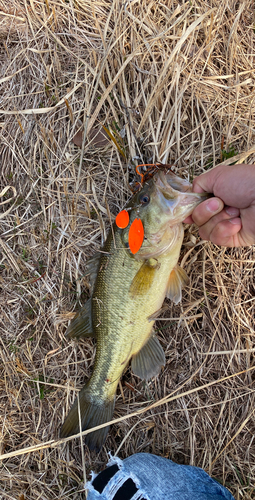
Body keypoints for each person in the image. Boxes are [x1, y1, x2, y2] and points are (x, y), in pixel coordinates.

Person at [86, 163, 253, 499]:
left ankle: (96, 403)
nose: (152, 197)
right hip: (129, 320)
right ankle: (97, 398)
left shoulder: (149, 252)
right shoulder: (143, 255)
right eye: (147, 200)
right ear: (136, 232)